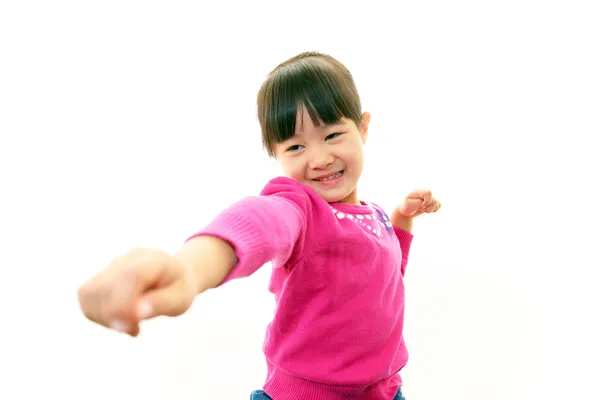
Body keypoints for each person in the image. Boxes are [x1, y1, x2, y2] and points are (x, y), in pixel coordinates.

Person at [78, 51, 441, 400]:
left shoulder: (374, 216)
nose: (319, 158)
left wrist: (402, 219)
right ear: (276, 154)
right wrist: (190, 266)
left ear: (363, 127)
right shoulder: (302, 209)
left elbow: (387, 274)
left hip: (386, 391)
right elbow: (261, 221)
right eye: (296, 147)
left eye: (332, 136)